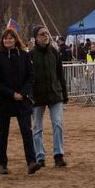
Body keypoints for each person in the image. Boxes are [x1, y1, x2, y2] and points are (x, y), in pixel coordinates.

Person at [0, 28, 41, 175]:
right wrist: (11, 94)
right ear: (2, 41)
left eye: (11, 38)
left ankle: (31, 161)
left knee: (26, 131)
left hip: (22, 100)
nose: (8, 40)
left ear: (15, 40)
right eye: (5, 38)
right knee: (3, 133)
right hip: (5, 100)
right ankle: (2, 163)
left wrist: (23, 93)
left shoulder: (24, 56)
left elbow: (31, 77)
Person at [30, 25, 69, 168]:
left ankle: (58, 155)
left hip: (54, 94)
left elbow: (60, 75)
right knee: (37, 128)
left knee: (58, 124)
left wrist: (64, 94)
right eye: (42, 34)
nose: (46, 36)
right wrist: (30, 95)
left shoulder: (54, 52)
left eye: (46, 33)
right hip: (37, 96)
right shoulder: (31, 55)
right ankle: (40, 156)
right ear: (36, 37)